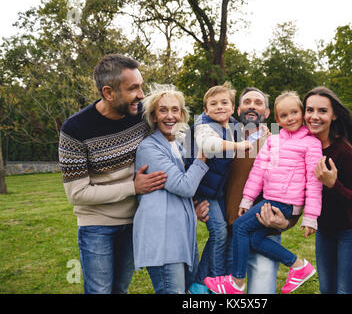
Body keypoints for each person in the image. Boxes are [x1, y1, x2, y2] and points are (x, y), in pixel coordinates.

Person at [58, 54, 167, 294]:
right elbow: (77, 193)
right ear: (108, 92)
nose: (141, 95)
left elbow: (175, 138)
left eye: (141, 86)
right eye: (133, 88)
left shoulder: (141, 115)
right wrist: (133, 187)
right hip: (97, 225)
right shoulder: (75, 129)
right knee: (100, 291)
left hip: (135, 221)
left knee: (120, 289)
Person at [204, 91, 323, 294]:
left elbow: (305, 183)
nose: (252, 106)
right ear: (238, 109)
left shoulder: (276, 139)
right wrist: (201, 200)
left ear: (267, 113)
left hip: (269, 228)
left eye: (258, 102)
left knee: (260, 293)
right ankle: (296, 266)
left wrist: (290, 222)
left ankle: (239, 282)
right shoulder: (222, 138)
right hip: (228, 234)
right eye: (246, 102)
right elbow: (210, 175)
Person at [132, 85, 210, 294]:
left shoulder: (179, 146)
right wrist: (202, 157)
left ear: (182, 114)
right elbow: (184, 186)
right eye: (163, 110)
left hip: (181, 236)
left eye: (175, 110)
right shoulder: (149, 148)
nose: (170, 116)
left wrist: (193, 208)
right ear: (154, 116)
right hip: (163, 239)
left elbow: (177, 190)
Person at [185, 82, 251, 292]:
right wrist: (239, 146)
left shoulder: (233, 127)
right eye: (213, 104)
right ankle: (216, 280)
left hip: (218, 191)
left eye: (225, 102)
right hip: (202, 191)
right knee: (219, 233)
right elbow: (209, 145)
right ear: (205, 110)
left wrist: (264, 134)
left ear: (233, 108)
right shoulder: (203, 127)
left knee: (224, 232)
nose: (219, 106)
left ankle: (199, 282)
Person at [303, 86, 352, 294]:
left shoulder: (343, 151)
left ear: (334, 115)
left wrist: (333, 184)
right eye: (309, 110)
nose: (314, 116)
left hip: (350, 232)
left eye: (322, 111)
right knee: (326, 289)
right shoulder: (305, 146)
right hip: (325, 230)